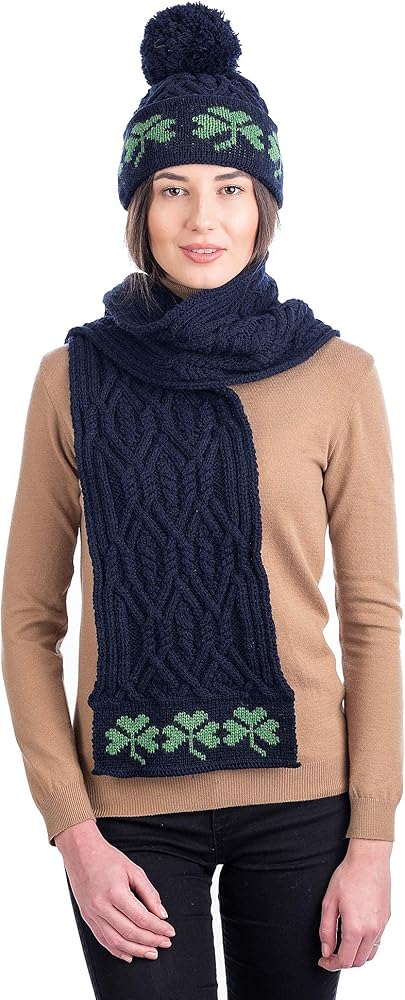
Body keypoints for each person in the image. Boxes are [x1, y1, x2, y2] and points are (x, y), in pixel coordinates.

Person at [1, 3, 402, 998]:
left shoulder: (338, 375)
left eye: (230, 188)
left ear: (264, 206)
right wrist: (72, 830)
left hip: (305, 803)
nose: (202, 220)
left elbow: (373, 618)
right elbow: (26, 618)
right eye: (172, 189)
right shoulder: (72, 377)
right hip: (128, 817)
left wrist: (372, 839)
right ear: (140, 209)